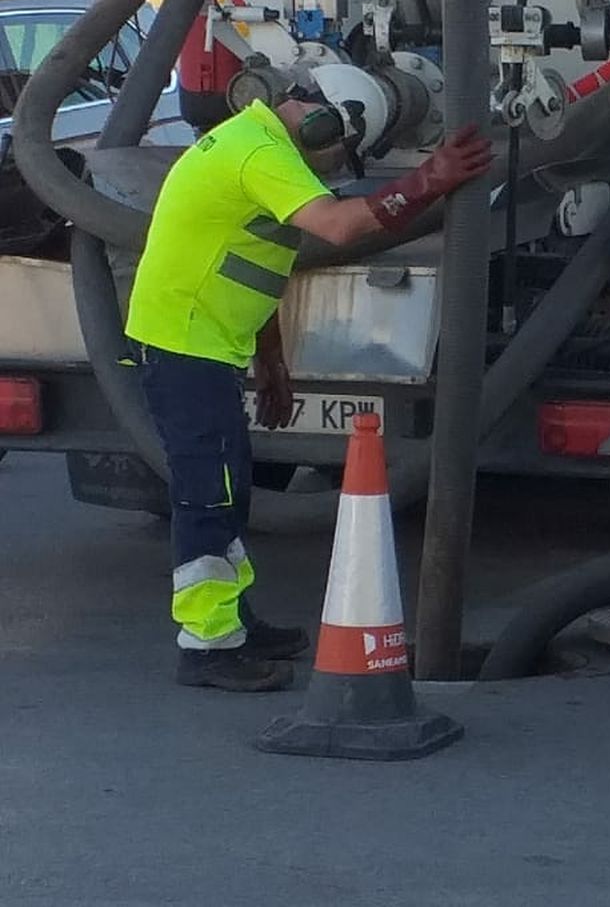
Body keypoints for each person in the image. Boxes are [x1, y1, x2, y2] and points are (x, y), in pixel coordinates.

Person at [125, 79, 491, 691]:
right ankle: (208, 645)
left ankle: (232, 619)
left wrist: (272, 362)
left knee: (229, 488)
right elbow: (342, 227)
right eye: (338, 153)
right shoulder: (263, 155)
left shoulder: (257, 141)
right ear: (324, 122)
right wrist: (430, 179)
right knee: (207, 497)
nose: (330, 168)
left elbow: (255, 262)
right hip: (185, 347)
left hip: (205, 343)